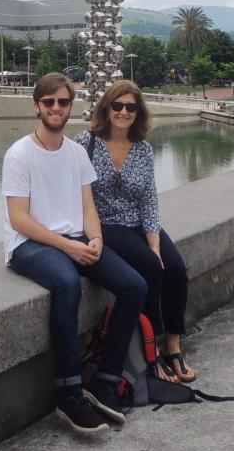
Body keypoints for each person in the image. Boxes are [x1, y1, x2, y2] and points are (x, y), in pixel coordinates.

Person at [2, 72, 147, 435]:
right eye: (48, 102)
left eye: (62, 102)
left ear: (70, 107)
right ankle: (68, 393)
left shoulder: (77, 152)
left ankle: (105, 380)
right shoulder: (19, 154)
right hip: (30, 245)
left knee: (135, 286)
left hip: (76, 239)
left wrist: (95, 238)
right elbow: (18, 219)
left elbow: (88, 209)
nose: (55, 108)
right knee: (68, 283)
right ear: (36, 106)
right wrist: (67, 245)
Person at [76, 80, 197, 386]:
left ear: (138, 112)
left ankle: (173, 343)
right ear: (106, 108)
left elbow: (149, 198)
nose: (123, 112)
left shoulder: (143, 149)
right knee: (150, 269)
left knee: (176, 269)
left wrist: (154, 242)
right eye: (117, 106)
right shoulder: (85, 143)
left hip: (138, 222)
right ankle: (151, 350)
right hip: (106, 224)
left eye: (131, 107)